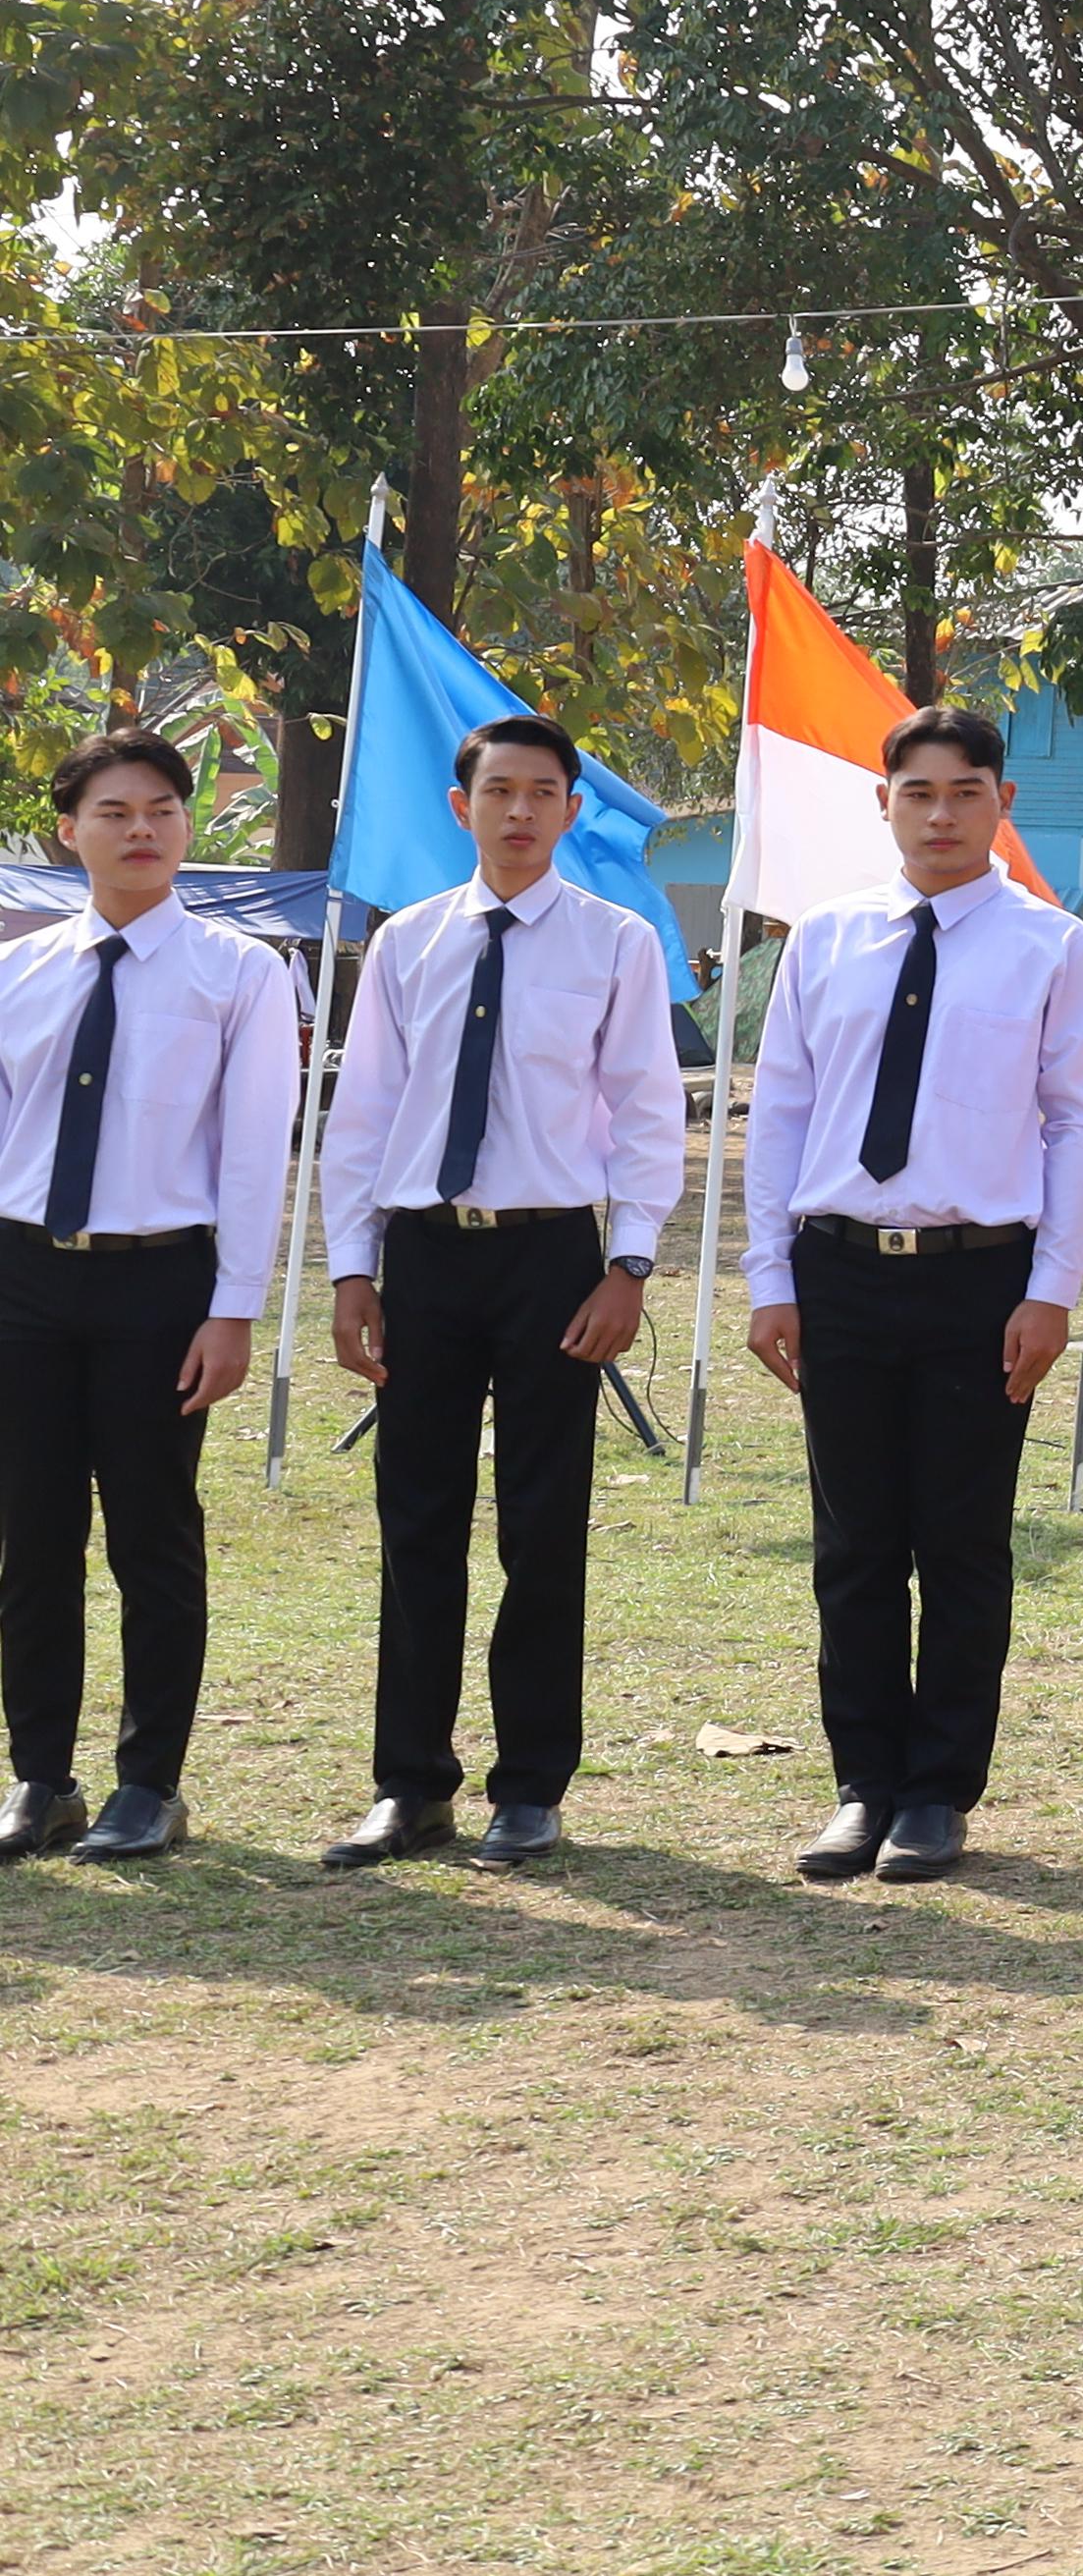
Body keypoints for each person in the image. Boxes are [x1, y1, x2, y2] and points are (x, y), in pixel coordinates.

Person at [736, 703, 1083, 1885]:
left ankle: (940, 1788)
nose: (942, 813)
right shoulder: (826, 938)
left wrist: (1053, 1289)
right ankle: (863, 1783)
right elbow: (784, 1108)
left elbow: (1082, 1125)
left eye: (965, 790)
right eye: (919, 791)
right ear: (885, 801)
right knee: (852, 1543)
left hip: (980, 1281)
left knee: (961, 1540)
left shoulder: (1052, 947)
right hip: (839, 1271)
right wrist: (769, 1275)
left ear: (1003, 801)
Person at [314, 714, 688, 1873]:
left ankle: (530, 1786)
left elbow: (643, 1108)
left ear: (572, 810)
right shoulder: (407, 943)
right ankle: (410, 1783)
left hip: (551, 1261)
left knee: (543, 1524)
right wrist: (351, 1266)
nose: (521, 811)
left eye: (544, 792)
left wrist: (628, 1265)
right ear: (459, 804)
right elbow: (364, 1110)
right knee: (416, 1521)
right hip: (424, 1255)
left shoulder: (616, 944)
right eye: (499, 791)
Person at [0, 734, 298, 1864]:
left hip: (159, 1281)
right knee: (30, 1532)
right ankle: (40, 1776)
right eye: (115, 810)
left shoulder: (240, 972)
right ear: (66, 829)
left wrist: (233, 1307)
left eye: (164, 809)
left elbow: (254, 1153)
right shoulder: (19, 971)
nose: (143, 829)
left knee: (151, 1533)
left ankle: (148, 1781)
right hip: (23, 1270)